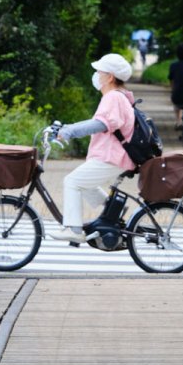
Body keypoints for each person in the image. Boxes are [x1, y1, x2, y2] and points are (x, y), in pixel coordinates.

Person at [50, 53, 136, 243]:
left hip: (113, 157)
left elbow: (101, 124)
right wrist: (68, 128)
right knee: (84, 182)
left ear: (110, 77)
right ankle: (114, 208)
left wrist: (69, 131)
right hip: (114, 156)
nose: (96, 75)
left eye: (99, 71)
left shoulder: (113, 97)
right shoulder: (119, 96)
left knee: (72, 182)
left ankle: (74, 230)